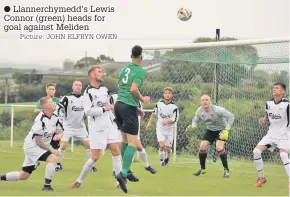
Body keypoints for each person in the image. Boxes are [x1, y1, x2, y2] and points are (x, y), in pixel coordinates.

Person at [69, 65, 121, 188]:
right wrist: (104, 108)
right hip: (96, 128)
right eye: (99, 72)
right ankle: (79, 181)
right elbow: (87, 111)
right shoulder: (88, 92)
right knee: (95, 157)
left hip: (109, 125)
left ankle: (119, 182)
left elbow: (110, 108)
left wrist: (114, 119)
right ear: (92, 75)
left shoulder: (104, 89)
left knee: (116, 150)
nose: (102, 74)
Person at [0, 97, 62, 191]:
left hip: (39, 146)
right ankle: (47, 186)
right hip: (32, 146)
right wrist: (52, 150)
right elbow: (38, 141)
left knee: (24, 175)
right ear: (46, 106)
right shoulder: (40, 120)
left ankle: (0, 177)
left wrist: (59, 135)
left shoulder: (55, 117)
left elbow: (61, 131)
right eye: (51, 102)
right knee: (53, 159)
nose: (54, 103)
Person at [114, 45, 150, 193]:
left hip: (119, 105)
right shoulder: (140, 70)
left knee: (124, 141)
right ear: (141, 57)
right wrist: (143, 99)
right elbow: (133, 89)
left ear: (131, 56)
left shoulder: (124, 69)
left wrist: (136, 107)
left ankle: (126, 170)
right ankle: (122, 174)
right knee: (133, 143)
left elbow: (122, 89)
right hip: (127, 107)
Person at [186, 95, 234, 178]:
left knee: (219, 148)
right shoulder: (199, 110)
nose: (205, 101)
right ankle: (202, 169)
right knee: (202, 146)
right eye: (203, 100)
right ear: (201, 102)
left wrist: (227, 129)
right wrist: (193, 125)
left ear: (210, 101)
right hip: (210, 130)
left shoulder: (218, 110)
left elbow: (231, 116)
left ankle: (226, 170)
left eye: (207, 100)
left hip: (221, 130)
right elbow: (196, 119)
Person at [253, 83, 289, 188]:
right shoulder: (268, 103)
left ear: (283, 92)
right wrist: (263, 119)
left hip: (284, 137)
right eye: (273, 88)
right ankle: (261, 177)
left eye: (277, 88)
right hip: (271, 138)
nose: (274, 89)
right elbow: (267, 116)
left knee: (283, 155)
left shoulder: (287, 105)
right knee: (256, 151)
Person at [55, 80, 97, 172]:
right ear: (72, 87)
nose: (78, 86)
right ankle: (57, 164)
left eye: (80, 85)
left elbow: (90, 109)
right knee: (63, 146)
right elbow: (58, 109)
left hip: (80, 127)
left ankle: (90, 166)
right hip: (67, 126)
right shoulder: (66, 98)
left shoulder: (85, 98)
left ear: (82, 87)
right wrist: (59, 120)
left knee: (88, 145)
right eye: (76, 85)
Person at [111, 93, 156, 176]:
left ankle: (147, 165)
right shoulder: (115, 97)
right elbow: (111, 109)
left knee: (138, 147)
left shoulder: (135, 97)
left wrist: (139, 111)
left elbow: (138, 111)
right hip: (119, 127)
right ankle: (118, 170)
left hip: (132, 126)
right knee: (117, 149)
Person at [146, 87, 179, 166]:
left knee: (168, 149)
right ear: (163, 94)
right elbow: (154, 114)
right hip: (160, 128)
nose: (167, 95)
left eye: (169, 93)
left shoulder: (174, 107)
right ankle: (161, 160)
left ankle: (167, 157)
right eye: (166, 93)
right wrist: (149, 123)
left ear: (172, 95)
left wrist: (167, 121)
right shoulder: (158, 104)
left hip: (170, 129)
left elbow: (175, 119)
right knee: (161, 145)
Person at [34, 83, 62, 151]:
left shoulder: (58, 100)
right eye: (50, 89)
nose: (52, 91)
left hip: (54, 124)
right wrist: (46, 109)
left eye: (53, 89)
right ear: (46, 90)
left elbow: (62, 111)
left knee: (56, 145)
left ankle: (56, 160)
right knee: (40, 144)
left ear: (55, 91)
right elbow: (35, 110)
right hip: (45, 125)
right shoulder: (43, 100)